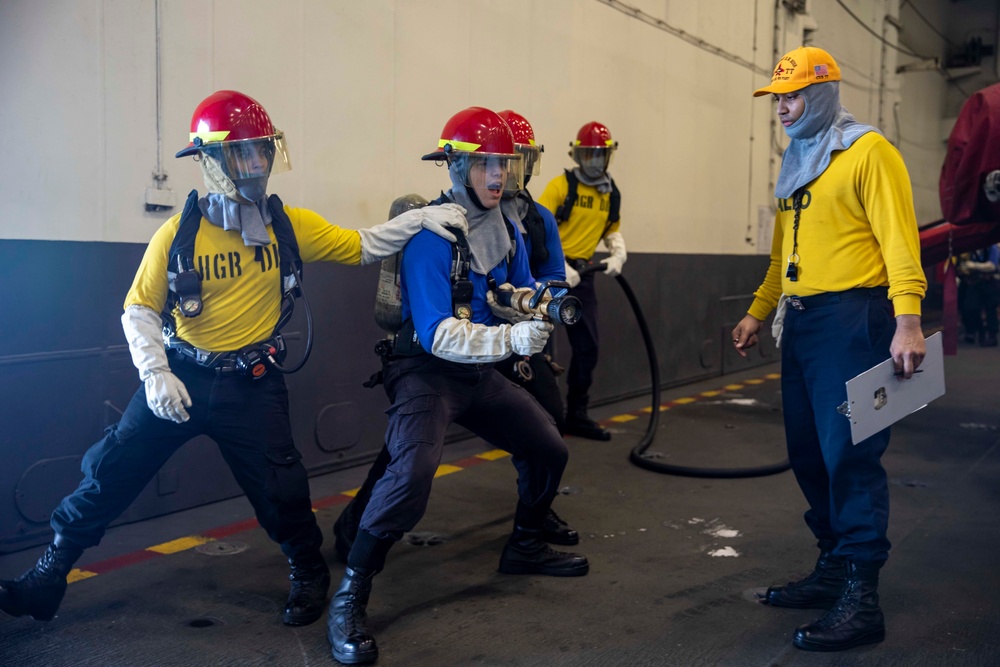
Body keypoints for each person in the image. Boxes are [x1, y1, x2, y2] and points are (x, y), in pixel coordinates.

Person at [0, 90, 467, 627]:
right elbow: (138, 308)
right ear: (208, 161)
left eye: (261, 152)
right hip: (182, 377)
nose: (255, 166)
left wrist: (417, 221)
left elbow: (359, 244)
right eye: (240, 154)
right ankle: (48, 576)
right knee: (108, 471)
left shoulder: (285, 224)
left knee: (281, 489)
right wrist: (155, 373)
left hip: (253, 382)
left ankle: (309, 573)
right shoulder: (177, 235)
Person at [326, 107, 588, 665]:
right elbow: (441, 334)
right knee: (412, 476)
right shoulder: (432, 233)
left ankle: (525, 544)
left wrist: (532, 308)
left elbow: (515, 291)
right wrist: (511, 344)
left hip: (475, 373)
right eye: (483, 163)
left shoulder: (512, 228)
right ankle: (350, 594)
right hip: (426, 371)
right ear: (456, 167)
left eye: (504, 162)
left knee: (549, 447)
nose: (497, 175)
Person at [731, 47, 927, 652]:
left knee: (850, 456)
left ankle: (861, 599)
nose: (784, 109)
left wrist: (909, 320)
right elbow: (781, 256)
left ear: (819, 95)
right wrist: (758, 311)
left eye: (793, 97)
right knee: (809, 453)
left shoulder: (867, 151)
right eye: (778, 99)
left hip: (856, 320)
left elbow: (900, 240)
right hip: (805, 322)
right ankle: (834, 567)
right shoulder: (796, 161)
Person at [537, 121, 627, 440]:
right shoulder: (561, 187)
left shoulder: (610, 193)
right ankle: (538, 417)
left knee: (587, 346)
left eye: (599, 155)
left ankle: (576, 412)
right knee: (537, 346)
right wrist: (558, 265)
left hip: (583, 277)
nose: (593, 161)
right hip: (550, 277)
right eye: (587, 154)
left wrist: (617, 251)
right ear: (577, 154)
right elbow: (538, 228)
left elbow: (610, 228)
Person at [956, 243, 1000, 346]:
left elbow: (992, 266)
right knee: (971, 307)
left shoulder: (991, 248)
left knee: (991, 309)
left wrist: (974, 266)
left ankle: (992, 336)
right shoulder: (971, 251)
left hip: (990, 282)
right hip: (975, 282)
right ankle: (980, 331)